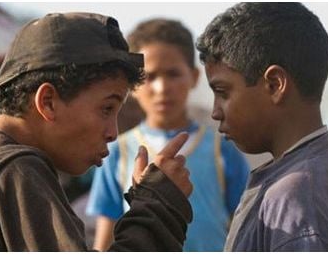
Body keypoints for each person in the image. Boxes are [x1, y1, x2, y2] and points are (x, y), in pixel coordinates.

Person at [0, 12, 194, 251]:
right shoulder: (18, 171)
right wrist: (157, 202)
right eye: (106, 108)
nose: (113, 133)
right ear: (47, 102)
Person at [196, 3, 328, 251]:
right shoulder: (308, 177)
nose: (215, 112)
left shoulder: (297, 196)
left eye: (223, 92)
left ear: (275, 85)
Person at [87, 18, 250, 251]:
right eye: (150, 76)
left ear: (193, 77)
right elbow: (105, 241)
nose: (162, 88)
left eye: (173, 74)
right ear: (133, 85)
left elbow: (243, 228)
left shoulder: (222, 148)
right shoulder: (116, 151)